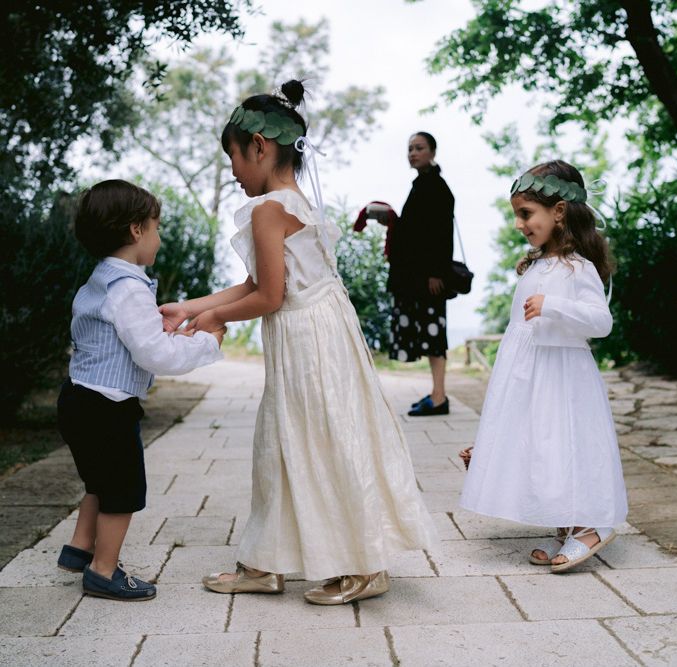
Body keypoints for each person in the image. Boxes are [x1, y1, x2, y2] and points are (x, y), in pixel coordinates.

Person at [159, 80, 437, 605]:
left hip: (309, 341)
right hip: (319, 331)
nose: (236, 171)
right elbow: (258, 283)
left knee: (317, 442)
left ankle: (363, 563)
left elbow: (268, 295)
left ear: (259, 148)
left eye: (235, 158)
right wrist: (192, 306)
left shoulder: (269, 209)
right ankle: (266, 562)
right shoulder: (295, 202)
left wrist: (211, 319)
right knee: (285, 444)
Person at [56, 180, 225, 600]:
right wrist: (207, 343)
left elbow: (129, 337)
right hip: (107, 407)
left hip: (77, 398)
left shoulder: (100, 281)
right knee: (122, 490)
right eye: (156, 226)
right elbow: (155, 355)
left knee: (98, 479)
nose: (159, 235)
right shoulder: (129, 288)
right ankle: (103, 570)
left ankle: (79, 548)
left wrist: (163, 327)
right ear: (136, 230)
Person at [459, 160, 627, 573]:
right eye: (517, 214)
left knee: (566, 444)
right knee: (542, 446)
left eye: (526, 213)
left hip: (562, 376)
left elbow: (601, 321)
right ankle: (566, 523)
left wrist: (555, 306)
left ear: (559, 212)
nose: (519, 224)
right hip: (529, 376)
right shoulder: (535, 266)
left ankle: (591, 525)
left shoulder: (578, 268)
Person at [386, 132, 454, 416]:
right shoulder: (422, 184)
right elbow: (414, 230)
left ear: (433, 152)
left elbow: (441, 235)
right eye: (410, 148)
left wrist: (438, 273)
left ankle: (439, 397)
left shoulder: (437, 187)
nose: (413, 153)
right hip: (416, 276)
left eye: (419, 148)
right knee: (428, 334)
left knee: (433, 335)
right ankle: (436, 393)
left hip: (429, 278)